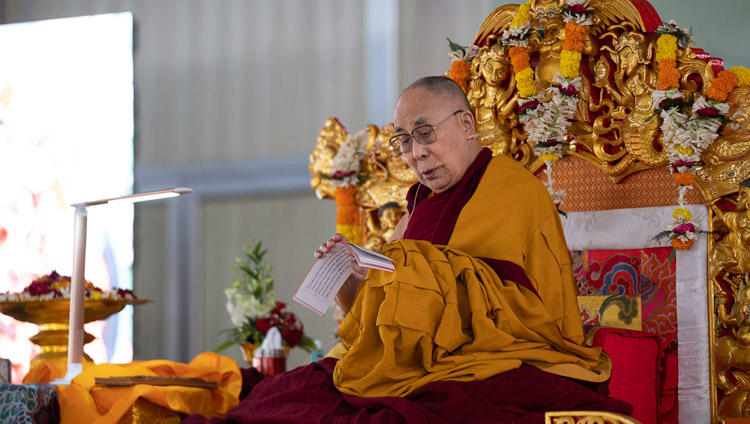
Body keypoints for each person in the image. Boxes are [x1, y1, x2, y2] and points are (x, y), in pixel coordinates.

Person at [185, 76, 631, 423]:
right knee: (278, 399)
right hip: (402, 364)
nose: (415, 153)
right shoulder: (414, 211)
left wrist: (414, 268)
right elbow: (378, 323)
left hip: (485, 361)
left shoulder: (513, 189)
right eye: (403, 140)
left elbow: (518, 309)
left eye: (424, 134)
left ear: (467, 125)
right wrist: (349, 279)